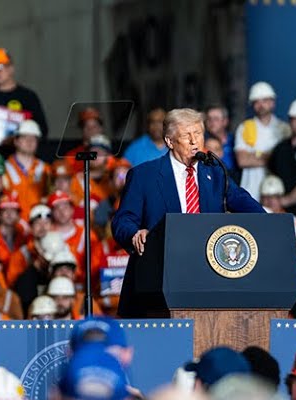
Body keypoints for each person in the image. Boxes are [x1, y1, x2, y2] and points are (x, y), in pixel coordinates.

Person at [112, 107, 265, 317]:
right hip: (159, 282)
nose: (195, 141)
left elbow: (246, 204)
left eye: (199, 134)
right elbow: (123, 220)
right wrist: (135, 233)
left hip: (207, 280)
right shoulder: (144, 175)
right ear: (169, 141)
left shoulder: (216, 173)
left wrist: (270, 224)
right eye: (187, 135)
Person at [0, 48, 49, 142]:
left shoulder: (28, 97)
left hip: (17, 154)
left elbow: (42, 129)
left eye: (0, 67)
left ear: (11, 68)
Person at [234, 81, 291, 199]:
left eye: (264, 101)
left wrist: (255, 155)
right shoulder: (245, 127)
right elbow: (243, 160)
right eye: (256, 102)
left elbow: (285, 162)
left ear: (272, 103)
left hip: (277, 192)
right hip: (250, 190)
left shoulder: (284, 129)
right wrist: (273, 157)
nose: (261, 105)